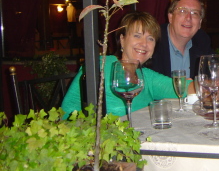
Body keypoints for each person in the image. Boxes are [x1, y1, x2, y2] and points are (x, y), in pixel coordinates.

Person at [62, 11, 194, 119]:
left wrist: (206, 83)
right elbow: (67, 113)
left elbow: (181, 88)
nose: (144, 43)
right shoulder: (101, 65)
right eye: (137, 36)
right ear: (122, 39)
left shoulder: (146, 76)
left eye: (150, 38)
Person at [148, 0, 213, 78]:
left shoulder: (201, 41)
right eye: (182, 11)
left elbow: (218, 68)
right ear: (170, 17)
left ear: (200, 23)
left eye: (195, 13)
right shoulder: (153, 39)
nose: (188, 18)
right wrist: (189, 86)